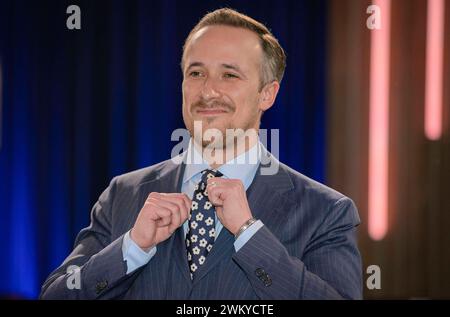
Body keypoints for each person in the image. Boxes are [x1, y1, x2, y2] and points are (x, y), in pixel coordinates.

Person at [40, 8, 362, 300]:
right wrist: (132, 247)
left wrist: (250, 234)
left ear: (267, 94)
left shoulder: (326, 212)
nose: (208, 90)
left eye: (229, 75)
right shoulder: (123, 194)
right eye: (196, 73)